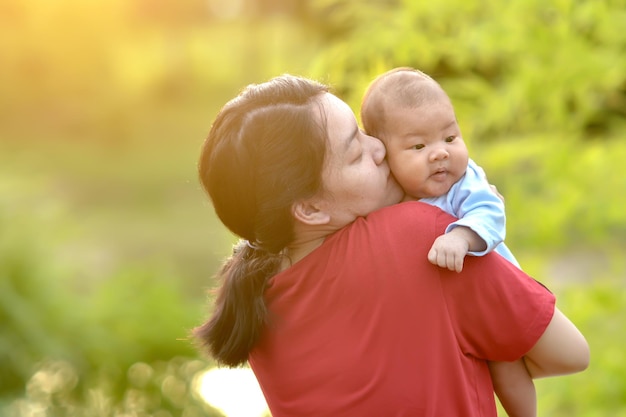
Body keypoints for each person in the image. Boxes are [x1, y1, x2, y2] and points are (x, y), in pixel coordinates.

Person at [193, 74, 589, 417]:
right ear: (311, 209)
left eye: (365, 132)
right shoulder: (422, 237)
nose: (381, 148)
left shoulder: (250, 303)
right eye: (355, 151)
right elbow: (571, 353)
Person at [360, 67, 536, 416]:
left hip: (493, 298)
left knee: (504, 363)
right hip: (443, 317)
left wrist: (461, 236)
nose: (440, 153)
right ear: (385, 156)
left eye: (450, 138)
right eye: (419, 145)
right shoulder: (389, 196)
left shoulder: (463, 182)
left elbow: (489, 212)